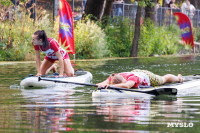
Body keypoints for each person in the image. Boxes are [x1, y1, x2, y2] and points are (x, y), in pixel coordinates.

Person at [96, 69, 183, 89]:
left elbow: (127, 85)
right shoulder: (115, 76)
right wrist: (101, 84)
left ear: (123, 78)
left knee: (163, 80)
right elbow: (106, 82)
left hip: (148, 76)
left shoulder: (132, 79)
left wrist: (113, 86)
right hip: (136, 72)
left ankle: (178, 78)